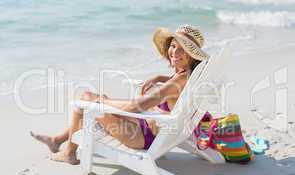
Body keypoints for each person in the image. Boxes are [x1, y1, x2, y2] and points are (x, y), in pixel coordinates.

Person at [31, 24, 209, 165]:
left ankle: (69, 153)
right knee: (92, 100)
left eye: (182, 49)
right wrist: (160, 77)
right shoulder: (187, 75)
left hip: (143, 137)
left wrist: (102, 101)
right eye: (173, 46)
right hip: (153, 129)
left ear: (192, 55)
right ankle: (57, 140)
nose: (174, 53)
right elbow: (172, 89)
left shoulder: (175, 83)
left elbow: (135, 107)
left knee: (86, 100)